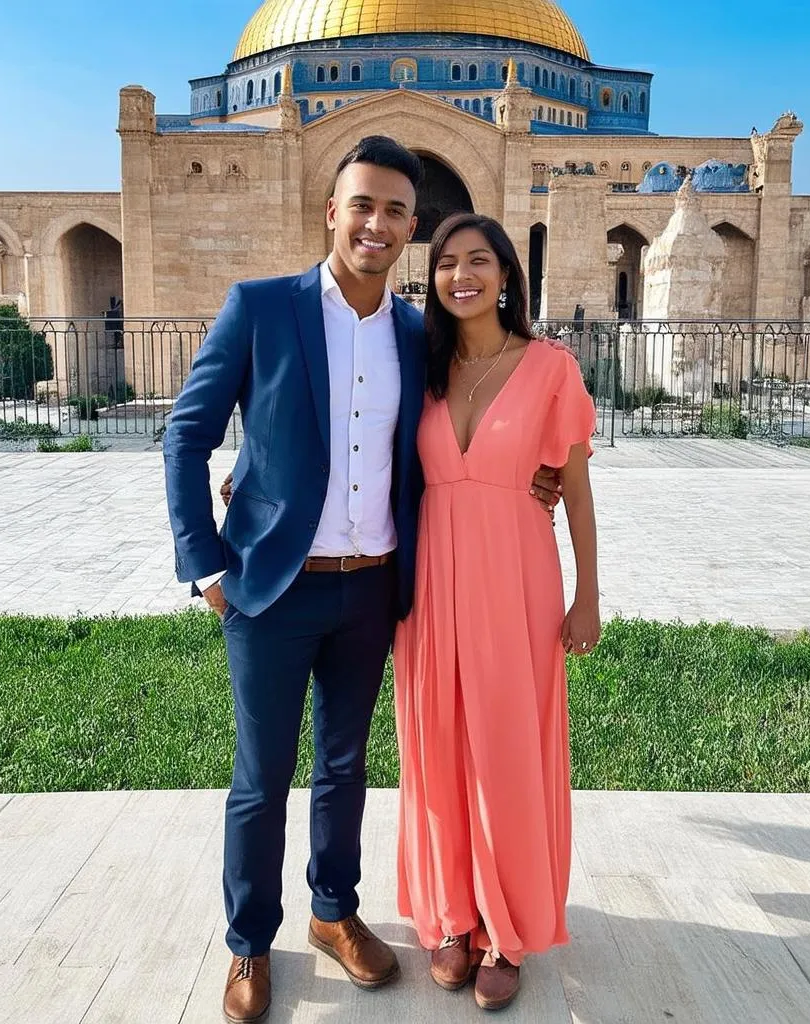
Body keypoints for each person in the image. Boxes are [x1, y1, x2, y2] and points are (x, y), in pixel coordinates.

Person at [162, 136, 560, 1024]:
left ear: (409, 228)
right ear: (332, 211)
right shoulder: (261, 308)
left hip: (375, 586)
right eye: (361, 205)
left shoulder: (421, 336)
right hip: (271, 586)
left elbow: (471, 421)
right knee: (262, 777)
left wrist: (536, 474)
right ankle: (248, 943)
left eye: (393, 211)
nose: (375, 223)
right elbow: (186, 434)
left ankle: (332, 911)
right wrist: (204, 561)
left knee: (345, 767)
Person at [392, 213, 600, 1011]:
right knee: (437, 743)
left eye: (479, 260)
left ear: (507, 275)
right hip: (430, 580)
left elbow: (574, 489)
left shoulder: (550, 368)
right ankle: (450, 916)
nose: (461, 274)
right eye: (446, 262)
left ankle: (508, 931)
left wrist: (588, 592)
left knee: (510, 750)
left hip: (518, 575)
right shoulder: (423, 363)